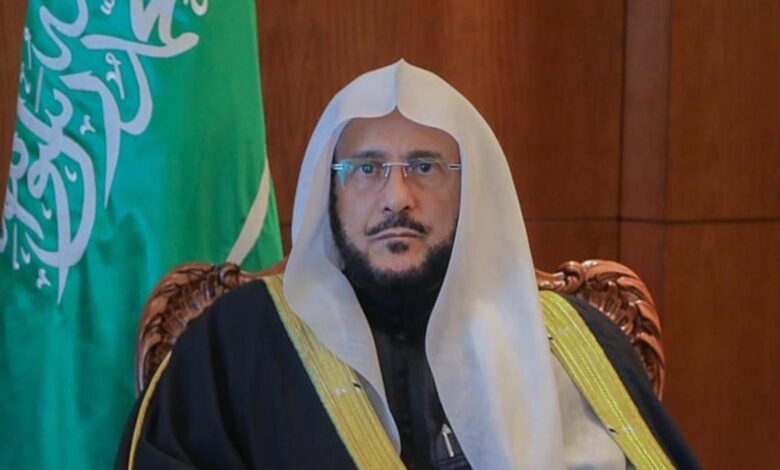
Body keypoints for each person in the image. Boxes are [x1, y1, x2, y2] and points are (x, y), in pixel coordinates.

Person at [116, 61, 698, 469]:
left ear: (470, 192)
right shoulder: (236, 342)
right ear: (330, 193)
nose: (396, 198)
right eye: (367, 169)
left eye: (425, 167)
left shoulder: (573, 342)